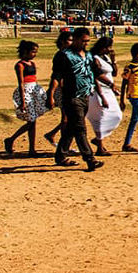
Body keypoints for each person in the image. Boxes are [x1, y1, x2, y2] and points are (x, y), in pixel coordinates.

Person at [53, 27, 102, 170]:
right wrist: (51, 94)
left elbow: (96, 73)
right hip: (71, 96)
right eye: (83, 41)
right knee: (80, 127)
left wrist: (111, 84)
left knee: (71, 127)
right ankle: (90, 158)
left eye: (88, 41)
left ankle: (60, 155)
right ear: (75, 39)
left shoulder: (88, 56)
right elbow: (56, 76)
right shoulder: (64, 55)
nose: (86, 44)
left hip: (85, 96)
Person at [5, 40, 48, 155]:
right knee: (31, 121)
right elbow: (21, 83)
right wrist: (23, 101)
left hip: (34, 91)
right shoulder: (20, 65)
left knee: (33, 122)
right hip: (26, 92)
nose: (35, 54)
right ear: (26, 51)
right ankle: (12, 140)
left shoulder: (32, 64)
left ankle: (31, 149)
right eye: (33, 52)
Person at [88, 36, 123, 157]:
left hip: (109, 90)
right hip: (99, 90)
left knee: (116, 115)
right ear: (102, 47)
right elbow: (96, 76)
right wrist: (106, 89)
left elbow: (114, 73)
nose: (110, 49)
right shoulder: (94, 58)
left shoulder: (106, 57)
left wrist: (113, 60)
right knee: (101, 117)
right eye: (108, 47)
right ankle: (100, 146)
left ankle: (98, 140)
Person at [42, 29, 73, 149]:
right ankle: (63, 146)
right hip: (61, 90)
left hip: (66, 89)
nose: (72, 42)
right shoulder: (61, 55)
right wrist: (51, 93)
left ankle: (53, 136)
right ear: (63, 42)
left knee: (68, 118)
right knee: (67, 119)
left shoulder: (68, 54)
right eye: (70, 40)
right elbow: (57, 76)